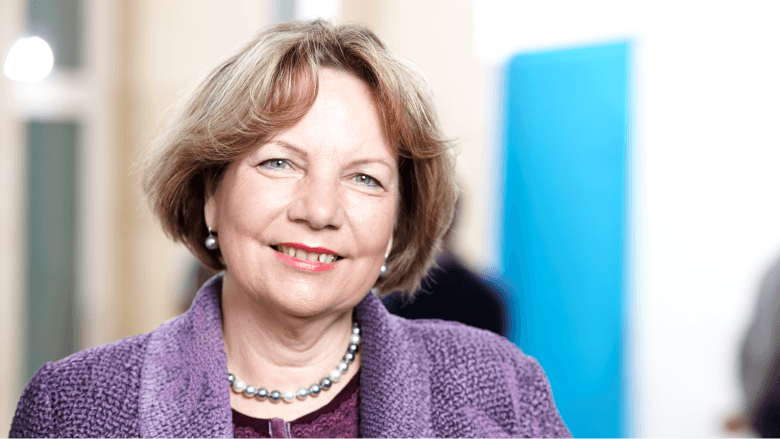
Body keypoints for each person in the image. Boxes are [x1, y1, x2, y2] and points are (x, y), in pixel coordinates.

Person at [10, 20, 570, 438]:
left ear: (399, 223)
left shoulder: (498, 389)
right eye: (279, 162)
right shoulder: (74, 406)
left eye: (365, 178)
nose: (319, 210)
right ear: (210, 195)